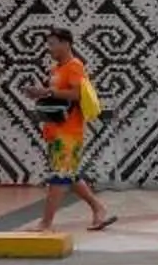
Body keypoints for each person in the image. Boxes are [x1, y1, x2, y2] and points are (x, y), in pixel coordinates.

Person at [30, 27, 117, 234]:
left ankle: (46, 223)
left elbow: (77, 95)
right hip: (55, 129)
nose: (49, 48)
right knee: (70, 175)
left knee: (59, 177)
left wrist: (49, 91)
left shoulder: (75, 66)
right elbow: (57, 95)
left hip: (69, 131)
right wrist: (40, 93)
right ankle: (98, 208)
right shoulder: (56, 69)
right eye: (48, 44)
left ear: (66, 44)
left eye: (53, 44)